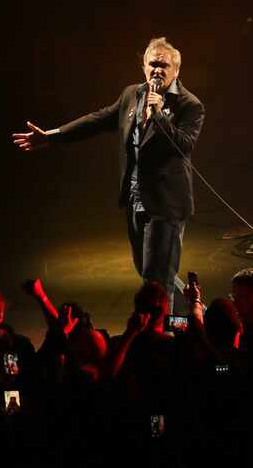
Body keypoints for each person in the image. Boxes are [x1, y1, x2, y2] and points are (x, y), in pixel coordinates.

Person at [11, 37, 205, 309]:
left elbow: (184, 145)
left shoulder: (189, 105)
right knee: (148, 269)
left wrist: (158, 113)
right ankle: (196, 309)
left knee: (156, 280)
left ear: (176, 70)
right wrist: (51, 137)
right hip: (136, 200)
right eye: (153, 64)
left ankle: (163, 336)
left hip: (167, 204)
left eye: (164, 65)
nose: (157, 69)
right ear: (144, 67)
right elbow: (97, 120)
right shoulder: (132, 95)